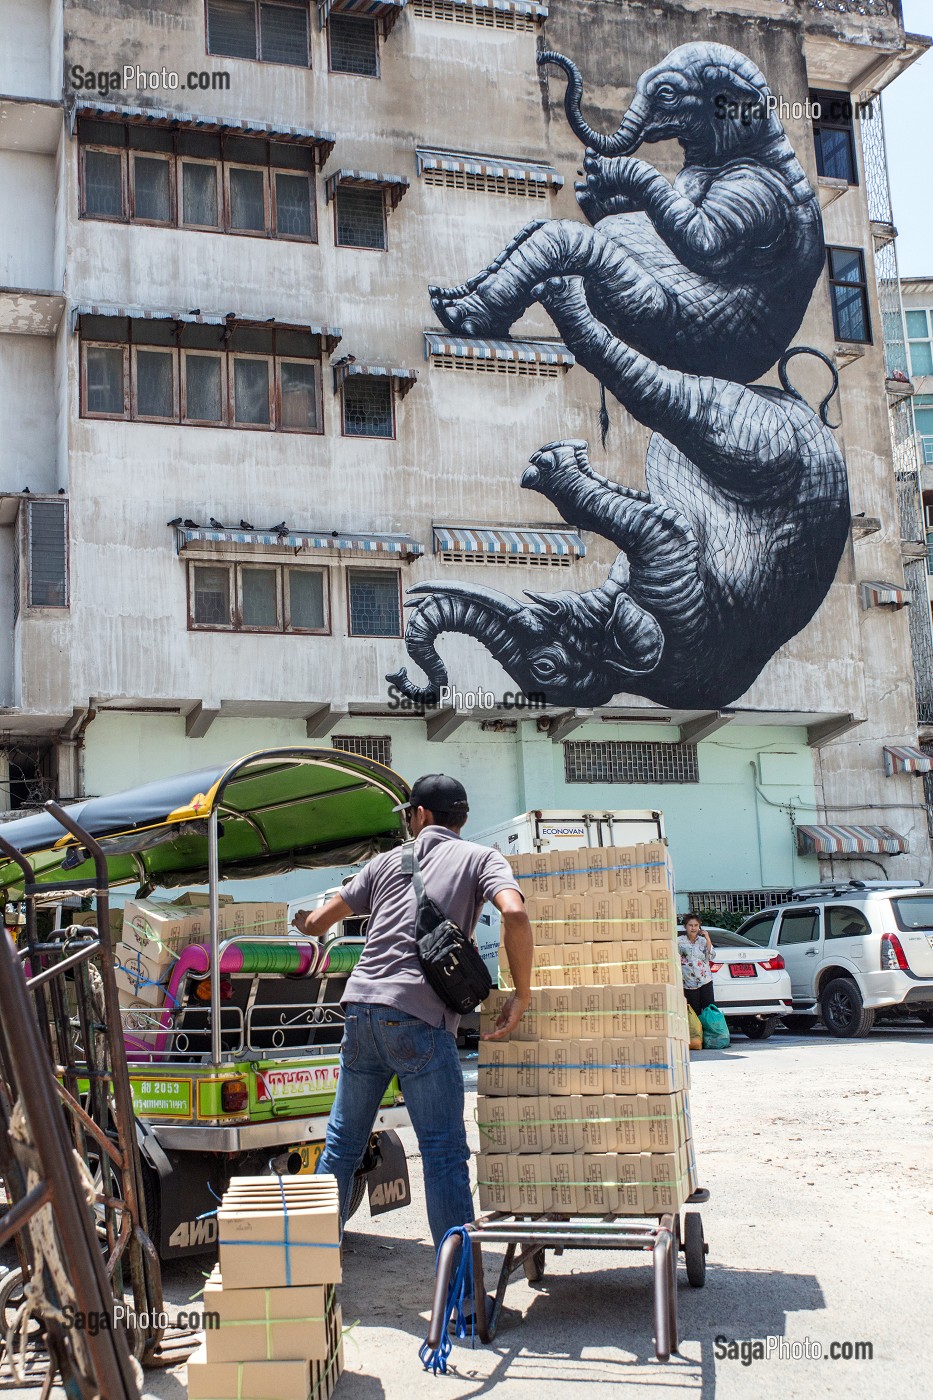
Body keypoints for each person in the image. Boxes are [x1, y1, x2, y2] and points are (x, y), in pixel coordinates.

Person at [292, 773, 533, 1249]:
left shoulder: (384, 864)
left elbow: (318, 923)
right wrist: (519, 995)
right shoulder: (481, 858)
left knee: (341, 1146)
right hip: (419, 1020)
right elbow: (516, 913)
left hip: (360, 1010)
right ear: (460, 818)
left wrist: (303, 921)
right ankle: (460, 1298)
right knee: (443, 1154)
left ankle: (307, 1273)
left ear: (419, 815)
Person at [678, 913, 716, 1016]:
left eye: (696, 925)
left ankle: (711, 1031)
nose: (693, 928)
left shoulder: (703, 941)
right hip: (689, 983)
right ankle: (697, 1032)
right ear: (685, 926)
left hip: (705, 981)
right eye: (690, 925)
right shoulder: (679, 942)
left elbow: (711, 956)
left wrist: (708, 938)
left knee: (710, 1011)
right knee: (694, 1013)